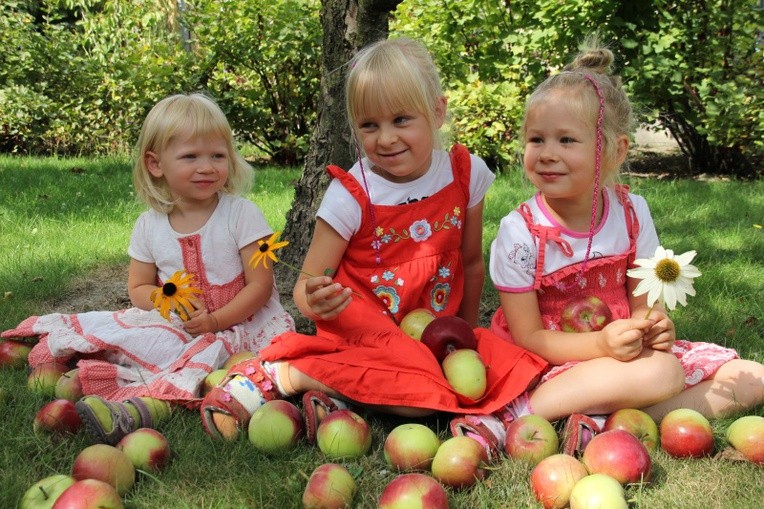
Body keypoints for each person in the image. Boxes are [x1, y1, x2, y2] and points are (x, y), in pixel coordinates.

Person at [199, 37, 547, 444]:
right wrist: (316, 297)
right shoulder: (351, 194)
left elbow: (470, 262)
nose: (385, 138)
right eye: (370, 125)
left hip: (432, 333)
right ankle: (288, 373)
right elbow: (306, 287)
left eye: (401, 120)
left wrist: (465, 337)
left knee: (509, 368)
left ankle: (344, 395)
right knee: (420, 402)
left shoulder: (466, 174)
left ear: (437, 111)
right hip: (365, 331)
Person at [465, 37, 764, 457]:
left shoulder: (631, 213)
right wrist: (601, 346)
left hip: (623, 357)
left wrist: (653, 325)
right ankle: (512, 415)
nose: (547, 154)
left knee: (751, 378)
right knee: (662, 373)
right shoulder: (521, 233)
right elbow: (529, 337)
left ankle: (601, 424)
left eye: (566, 140)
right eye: (536, 140)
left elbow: (643, 304)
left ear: (614, 151)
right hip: (550, 364)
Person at [1, 93, 295, 444]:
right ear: (156, 164)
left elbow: (259, 286)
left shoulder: (241, 214)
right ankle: (119, 391)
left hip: (243, 321)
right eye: (191, 156)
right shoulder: (150, 225)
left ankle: (144, 408)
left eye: (218, 155)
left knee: (236, 362)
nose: (207, 166)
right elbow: (138, 289)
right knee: (142, 342)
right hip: (180, 323)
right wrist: (163, 299)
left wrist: (216, 322)